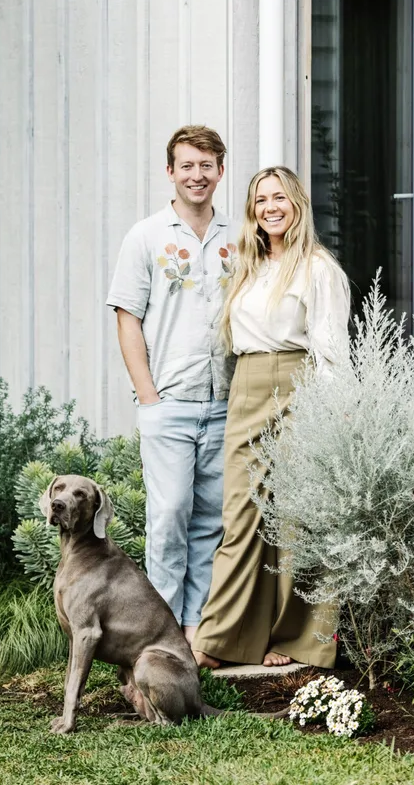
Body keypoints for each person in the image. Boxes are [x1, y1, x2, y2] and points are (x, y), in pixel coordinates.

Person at [192, 165, 350, 669]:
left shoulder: (318, 267)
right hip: (247, 387)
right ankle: (224, 638)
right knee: (242, 516)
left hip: (300, 388)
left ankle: (295, 639)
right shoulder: (247, 265)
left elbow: (331, 350)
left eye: (279, 197)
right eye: (261, 200)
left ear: (297, 204)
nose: (269, 207)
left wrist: (330, 416)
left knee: (297, 518)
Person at [106, 126, 239, 645]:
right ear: (170, 172)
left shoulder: (238, 235)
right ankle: (159, 641)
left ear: (220, 171)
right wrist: (148, 397)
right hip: (170, 403)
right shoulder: (146, 235)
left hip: (226, 401)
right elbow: (126, 316)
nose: (197, 175)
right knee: (168, 517)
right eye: (187, 165)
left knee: (210, 520)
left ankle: (195, 633)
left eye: (206, 166)